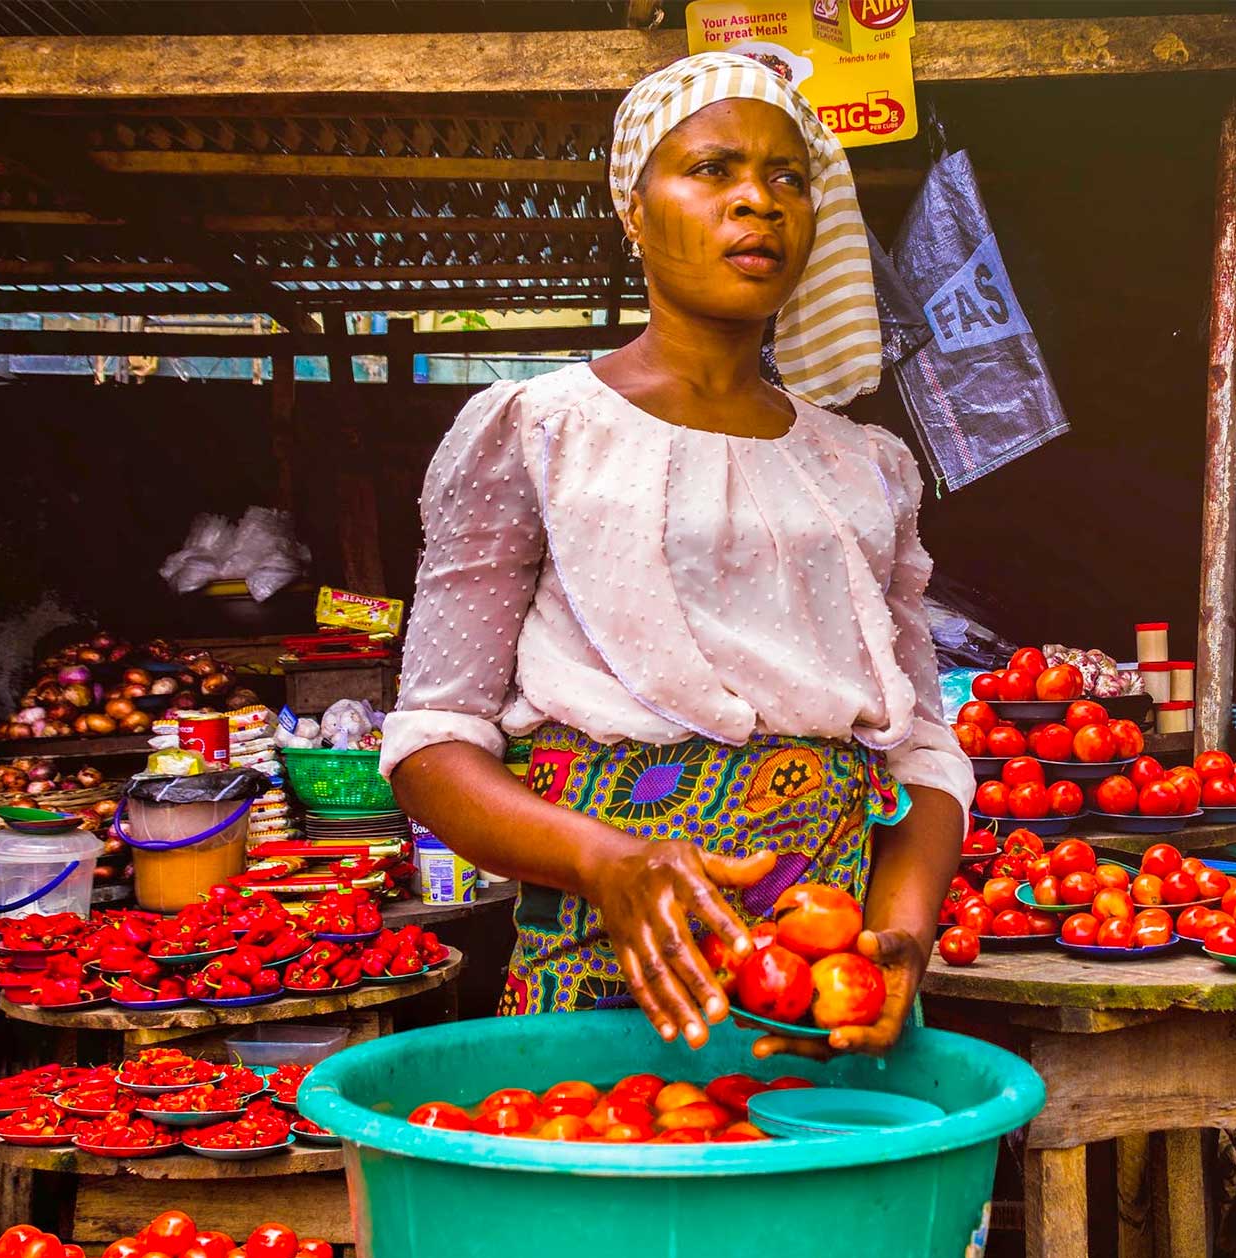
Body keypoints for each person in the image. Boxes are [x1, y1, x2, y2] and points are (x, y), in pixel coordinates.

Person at [380, 52, 974, 1059]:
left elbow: (920, 748)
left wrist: (899, 937)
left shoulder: (866, 466)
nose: (759, 199)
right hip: (602, 961)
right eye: (713, 169)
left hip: (826, 989)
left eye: (789, 178)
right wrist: (610, 862)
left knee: (825, 1208)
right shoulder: (537, 430)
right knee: (614, 1190)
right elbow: (433, 742)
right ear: (635, 210)